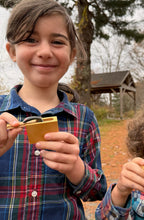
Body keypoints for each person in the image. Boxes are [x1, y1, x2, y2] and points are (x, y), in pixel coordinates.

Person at [0, 0, 107, 219]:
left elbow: (98, 191)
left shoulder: (84, 119)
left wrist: (76, 168)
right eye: (31, 39)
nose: (45, 51)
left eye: (57, 42)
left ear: (72, 54)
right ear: (12, 51)